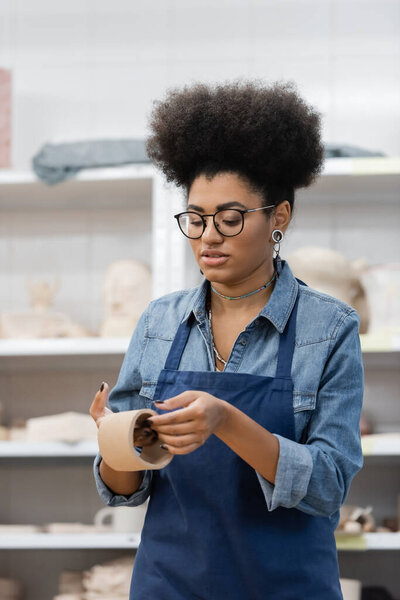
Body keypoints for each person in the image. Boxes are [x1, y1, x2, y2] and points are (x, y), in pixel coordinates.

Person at [90, 79, 364, 600]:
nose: (209, 235)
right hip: (170, 585)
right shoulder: (159, 322)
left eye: (230, 218)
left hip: (286, 588)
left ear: (278, 217)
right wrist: (119, 442)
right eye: (195, 219)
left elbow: (329, 485)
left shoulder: (328, 328)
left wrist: (226, 420)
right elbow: (126, 491)